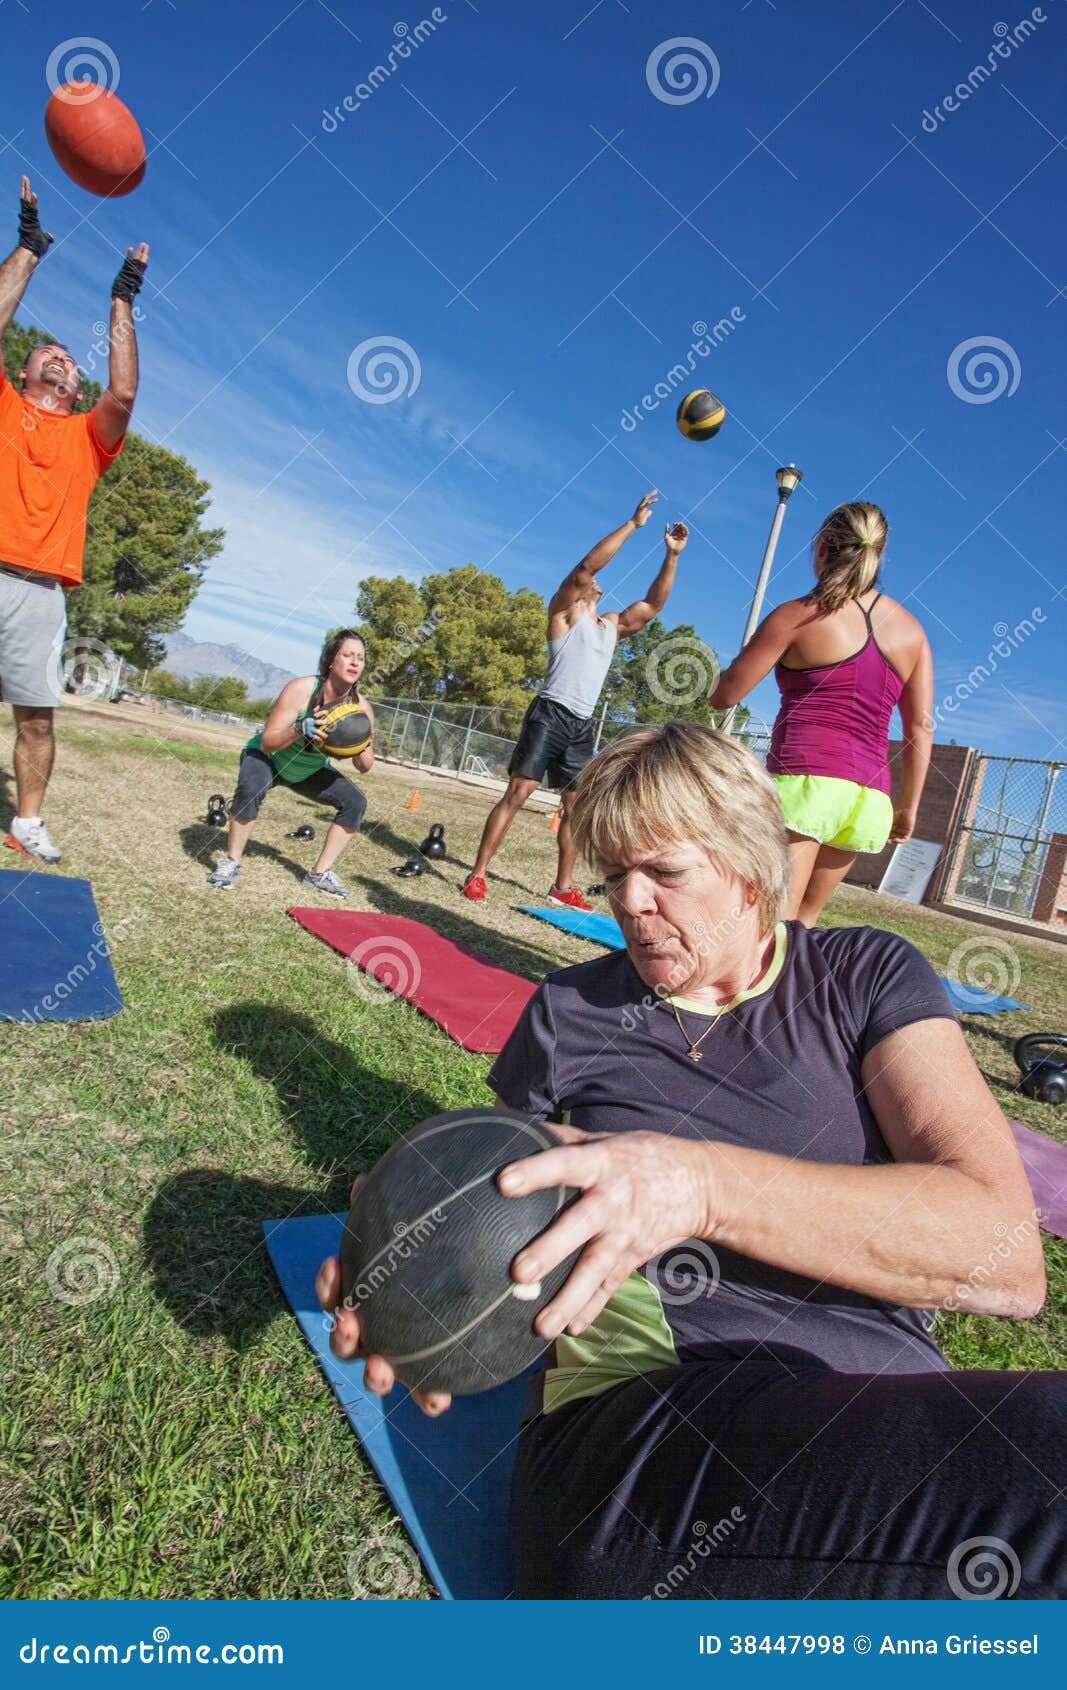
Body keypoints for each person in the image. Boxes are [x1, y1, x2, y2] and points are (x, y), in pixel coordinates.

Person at [317, 724, 1066, 1601]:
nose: (627, 903)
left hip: (887, 1413)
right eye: (610, 876)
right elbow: (493, 1184)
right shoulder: (571, 1009)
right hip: (649, 1446)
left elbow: (1005, 1259)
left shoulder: (864, 974)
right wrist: (408, 1250)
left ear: (751, 866)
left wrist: (695, 1187)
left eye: (663, 873)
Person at [0, 177, 147, 863]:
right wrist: (28, 249)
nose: (59, 353)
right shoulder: (4, 406)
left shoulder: (90, 437)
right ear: (23, 370)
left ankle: (27, 822)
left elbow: (123, 389)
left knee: (35, 719)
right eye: (46, 352)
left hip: (39, 592)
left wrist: (122, 297)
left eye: (68, 357)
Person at [709, 500, 932, 925]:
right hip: (870, 798)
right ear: (877, 554)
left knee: (771, 921)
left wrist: (718, 673)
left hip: (806, 784)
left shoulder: (798, 615)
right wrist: (908, 807)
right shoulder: (912, 630)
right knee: (803, 923)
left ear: (824, 546)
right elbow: (920, 724)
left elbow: (726, 695)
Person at [461, 489, 688, 907]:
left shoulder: (612, 626)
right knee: (518, 794)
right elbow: (586, 566)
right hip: (550, 714)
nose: (597, 582)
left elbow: (653, 604)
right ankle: (477, 876)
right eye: (591, 582)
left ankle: (562, 887)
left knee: (574, 808)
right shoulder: (563, 614)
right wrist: (633, 525)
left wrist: (671, 555)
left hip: (581, 725)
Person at [208, 630, 374, 898]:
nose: (355, 663)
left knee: (355, 802)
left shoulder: (361, 708)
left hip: (307, 769)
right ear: (332, 660)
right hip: (269, 758)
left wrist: (362, 739)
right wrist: (300, 729)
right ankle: (231, 862)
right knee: (252, 786)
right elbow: (267, 742)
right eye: (348, 655)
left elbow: (365, 766)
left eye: (361, 658)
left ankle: (319, 874)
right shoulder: (302, 689)